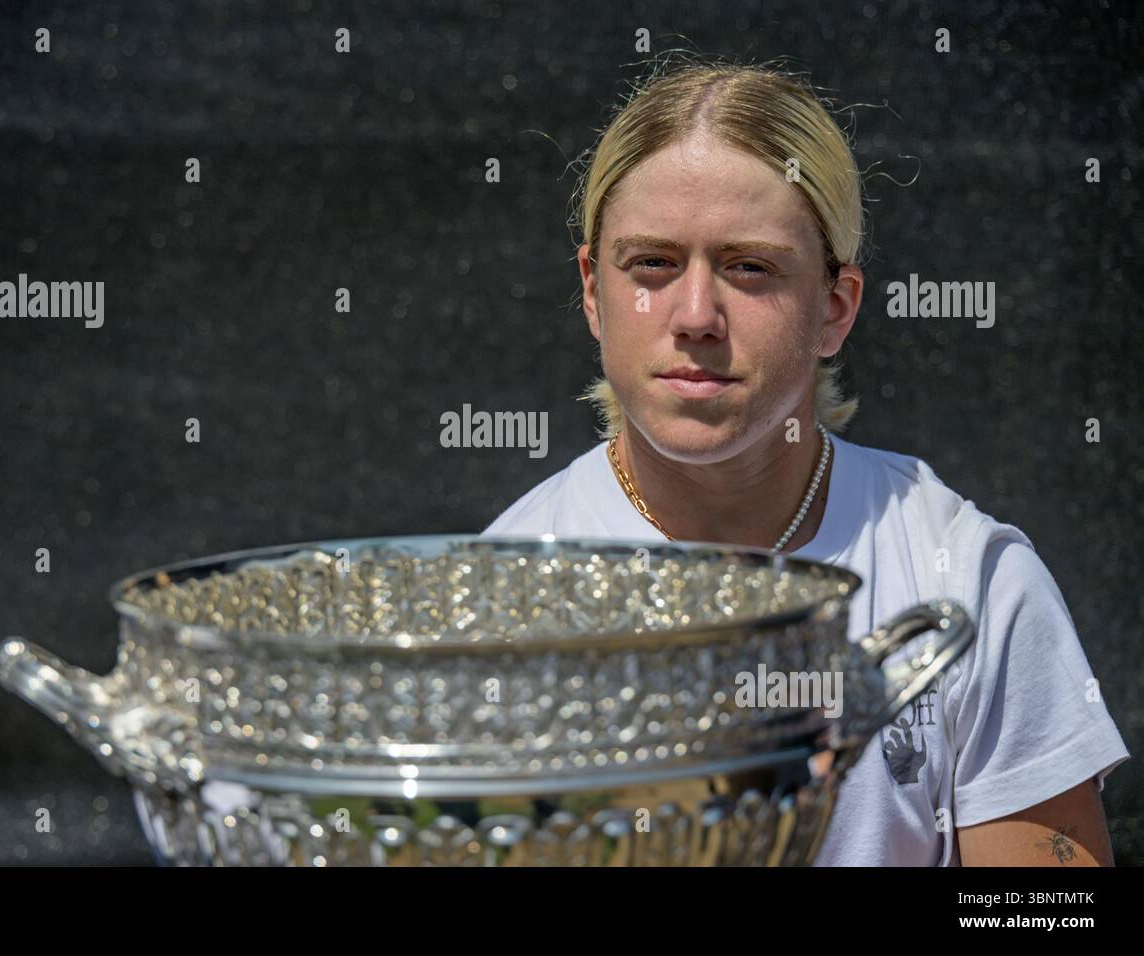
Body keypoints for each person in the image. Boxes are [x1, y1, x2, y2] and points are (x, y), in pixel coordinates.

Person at [480, 57, 1130, 866]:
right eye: (651, 263)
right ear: (591, 292)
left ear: (835, 308)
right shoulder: (493, 597)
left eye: (749, 267)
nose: (695, 315)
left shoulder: (968, 581)